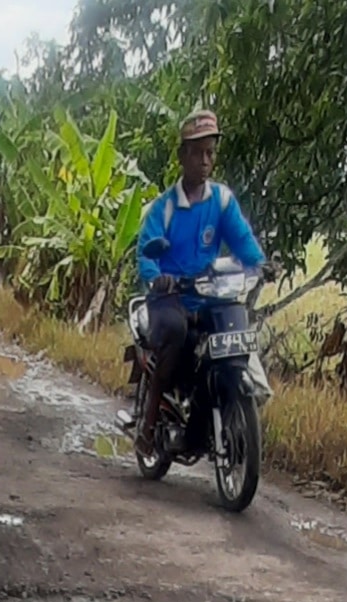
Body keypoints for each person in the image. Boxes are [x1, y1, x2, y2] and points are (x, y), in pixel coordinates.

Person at [135, 109, 267, 457]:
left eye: (210, 153)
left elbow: (242, 241)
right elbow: (145, 254)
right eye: (197, 152)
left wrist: (261, 264)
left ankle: (226, 401)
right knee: (176, 334)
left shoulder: (221, 201)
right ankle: (148, 428)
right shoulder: (163, 208)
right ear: (183, 156)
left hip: (209, 294)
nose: (205, 160)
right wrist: (156, 276)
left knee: (233, 329)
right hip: (170, 297)